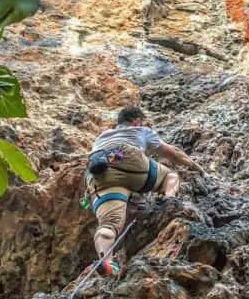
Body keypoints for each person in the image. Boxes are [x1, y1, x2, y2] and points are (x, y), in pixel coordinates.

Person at [85, 106, 204, 276]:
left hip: (100, 173)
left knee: (108, 225)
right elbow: (173, 153)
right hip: (129, 160)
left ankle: (107, 263)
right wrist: (196, 167)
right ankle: (168, 200)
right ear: (136, 121)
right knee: (170, 176)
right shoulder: (140, 130)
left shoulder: (101, 137)